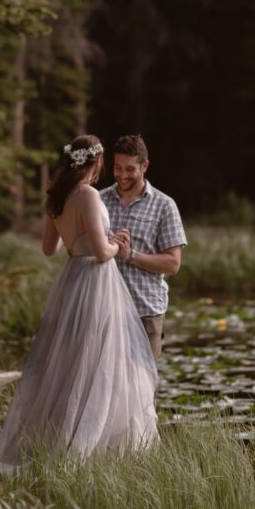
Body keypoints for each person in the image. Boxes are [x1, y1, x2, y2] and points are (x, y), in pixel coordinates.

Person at [0, 134, 158, 476]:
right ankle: (86, 441)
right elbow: (102, 253)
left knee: (71, 361)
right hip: (96, 281)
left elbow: (48, 248)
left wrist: (76, 239)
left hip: (72, 278)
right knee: (97, 360)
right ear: (96, 161)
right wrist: (118, 245)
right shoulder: (87, 194)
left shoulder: (57, 195)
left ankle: (61, 435)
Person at [101, 134, 187, 361]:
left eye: (129, 169)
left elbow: (173, 264)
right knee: (107, 390)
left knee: (145, 389)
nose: (121, 175)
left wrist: (131, 255)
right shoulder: (98, 201)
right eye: (117, 167)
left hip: (145, 312)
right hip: (105, 311)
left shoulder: (164, 205)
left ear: (145, 165)